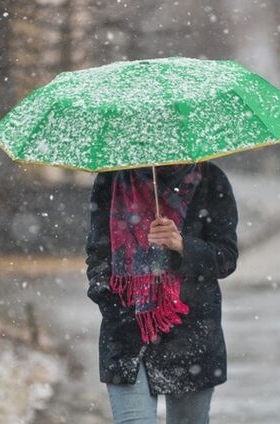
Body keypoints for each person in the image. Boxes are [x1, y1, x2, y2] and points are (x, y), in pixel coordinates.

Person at [85, 161, 238, 423]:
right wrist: (112, 301)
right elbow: (98, 253)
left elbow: (226, 257)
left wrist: (182, 245)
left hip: (190, 331)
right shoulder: (112, 179)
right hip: (127, 332)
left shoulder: (210, 179)